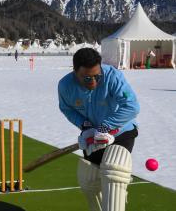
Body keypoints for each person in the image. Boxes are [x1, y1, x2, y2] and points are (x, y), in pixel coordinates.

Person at [58, 48, 140, 211]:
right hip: (92, 135)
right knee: (90, 179)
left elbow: (132, 106)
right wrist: (85, 126)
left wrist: (106, 127)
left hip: (121, 131)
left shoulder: (113, 77)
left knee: (114, 170)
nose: (94, 82)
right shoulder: (65, 85)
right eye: (87, 78)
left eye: (97, 76)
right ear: (75, 72)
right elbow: (66, 108)